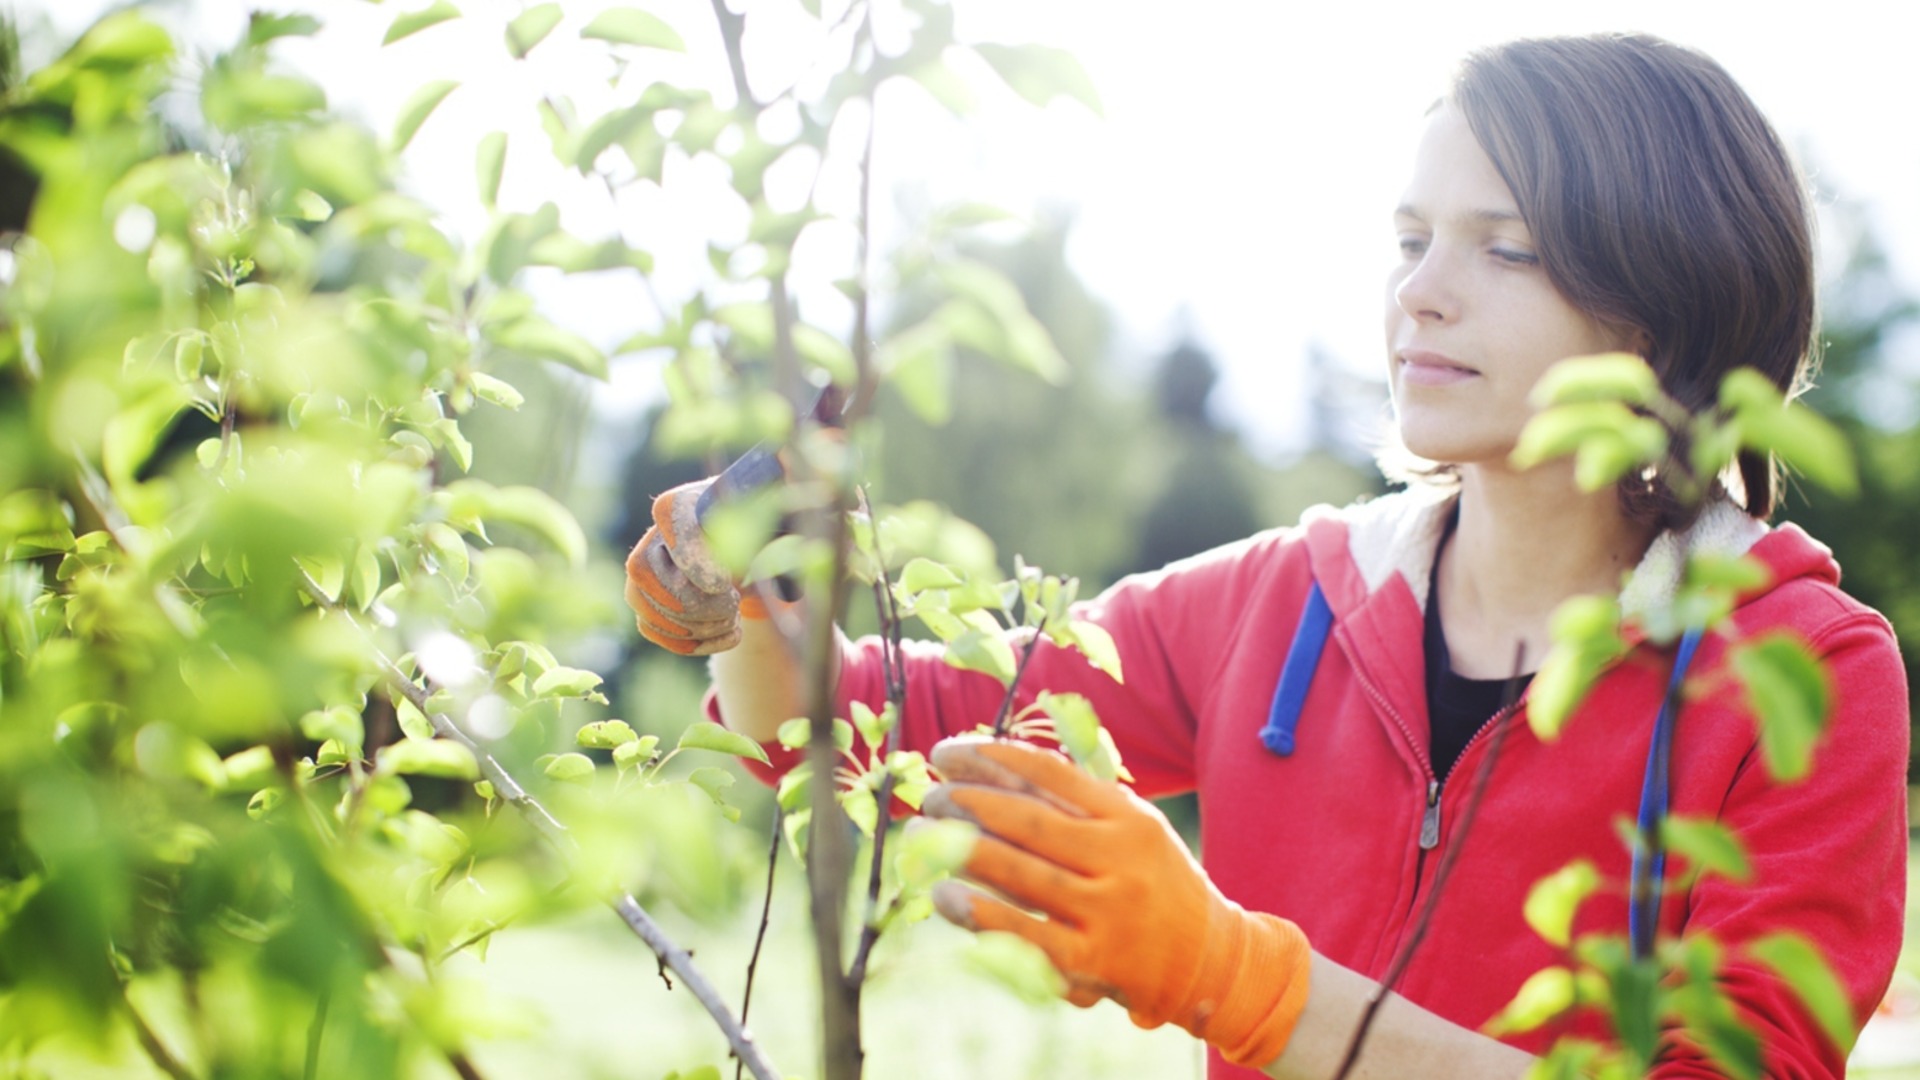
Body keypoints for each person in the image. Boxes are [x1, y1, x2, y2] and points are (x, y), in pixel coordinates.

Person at [622, 33, 1910, 1079]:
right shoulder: (1289, 601)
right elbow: (882, 734)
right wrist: (741, 592)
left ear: (1669, 296)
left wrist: (1233, 976)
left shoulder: (1805, 677)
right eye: (1411, 240)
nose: (1420, 291)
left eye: (1505, 246)